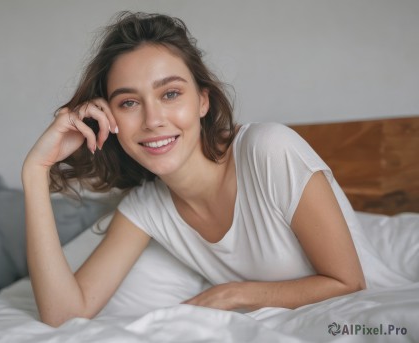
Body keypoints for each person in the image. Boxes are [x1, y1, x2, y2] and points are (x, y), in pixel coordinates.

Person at [22, 11, 366, 327]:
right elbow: (63, 315)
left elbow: (349, 282)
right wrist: (36, 170)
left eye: (170, 94)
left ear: (203, 100)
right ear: (109, 119)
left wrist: (233, 293)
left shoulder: (269, 151)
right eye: (129, 103)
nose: (153, 120)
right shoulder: (147, 207)